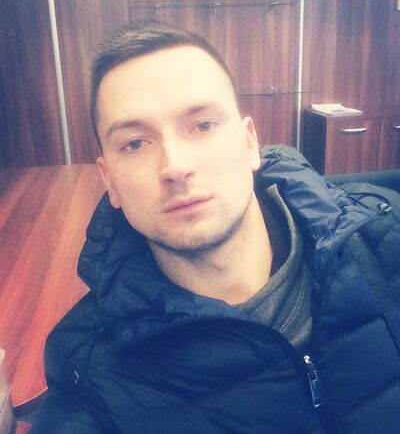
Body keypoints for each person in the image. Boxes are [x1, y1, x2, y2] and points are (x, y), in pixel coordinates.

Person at [31, 22, 400, 433]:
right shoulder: (88, 376)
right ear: (109, 181)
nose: (175, 166)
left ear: (249, 143)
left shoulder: (387, 238)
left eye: (202, 125)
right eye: (135, 143)